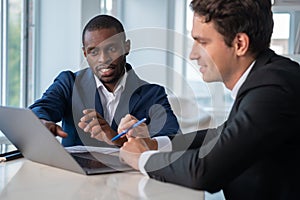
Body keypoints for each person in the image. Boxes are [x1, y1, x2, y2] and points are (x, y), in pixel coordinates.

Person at [118, 0, 300, 199]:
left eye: (202, 42)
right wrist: (155, 144)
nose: (193, 54)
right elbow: (219, 135)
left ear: (239, 44)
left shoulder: (273, 89)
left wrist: (142, 158)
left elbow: (203, 171)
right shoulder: (267, 78)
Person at [29, 14, 180, 147]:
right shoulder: (69, 83)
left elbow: (174, 139)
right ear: (85, 53)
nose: (103, 59)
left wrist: (121, 139)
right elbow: (40, 108)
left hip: (129, 178)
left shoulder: (152, 94)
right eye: (93, 52)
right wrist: (41, 122)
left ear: (126, 47)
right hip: (75, 177)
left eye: (112, 49)